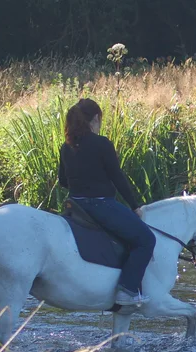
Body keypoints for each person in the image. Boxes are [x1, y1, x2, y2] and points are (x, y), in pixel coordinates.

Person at [58, 98, 156, 306]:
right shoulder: (102, 144)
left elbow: (62, 181)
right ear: (95, 119)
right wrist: (134, 205)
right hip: (99, 205)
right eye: (100, 119)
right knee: (146, 239)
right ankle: (128, 290)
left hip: (74, 206)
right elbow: (117, 177)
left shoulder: (66, 147)